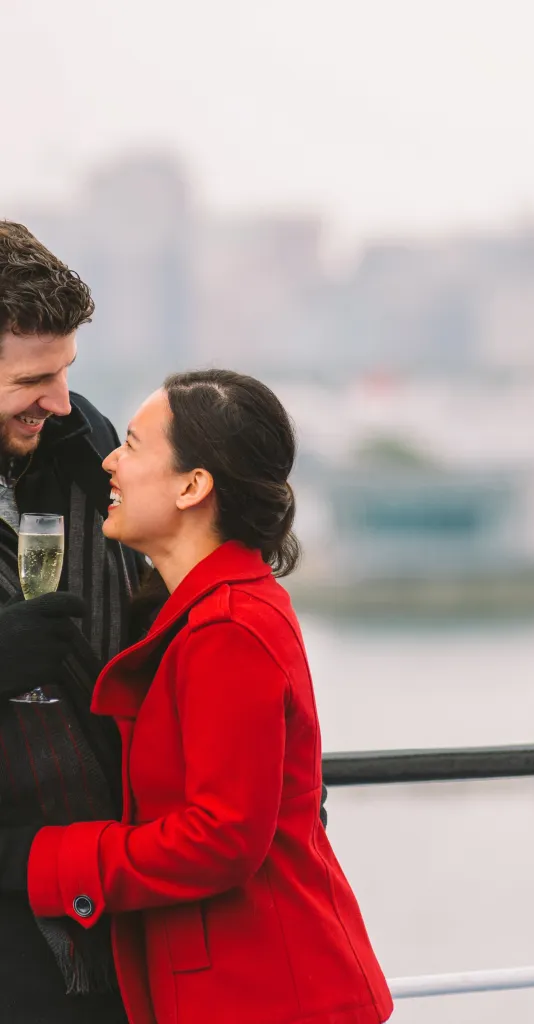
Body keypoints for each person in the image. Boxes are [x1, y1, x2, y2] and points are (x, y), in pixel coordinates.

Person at [26, 369, 394, 1024]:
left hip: (266, 994)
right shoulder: (215, 611)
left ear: (193, 486)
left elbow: (222, 838)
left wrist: (49, 860)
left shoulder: (228, 628)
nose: (109, 461)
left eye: (132, 445)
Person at [0, 221, 142, 1023]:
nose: (58, 400)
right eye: (33, 379)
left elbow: (160, 602)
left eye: (65, 372)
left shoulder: (85, 437)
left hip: (114, 909)